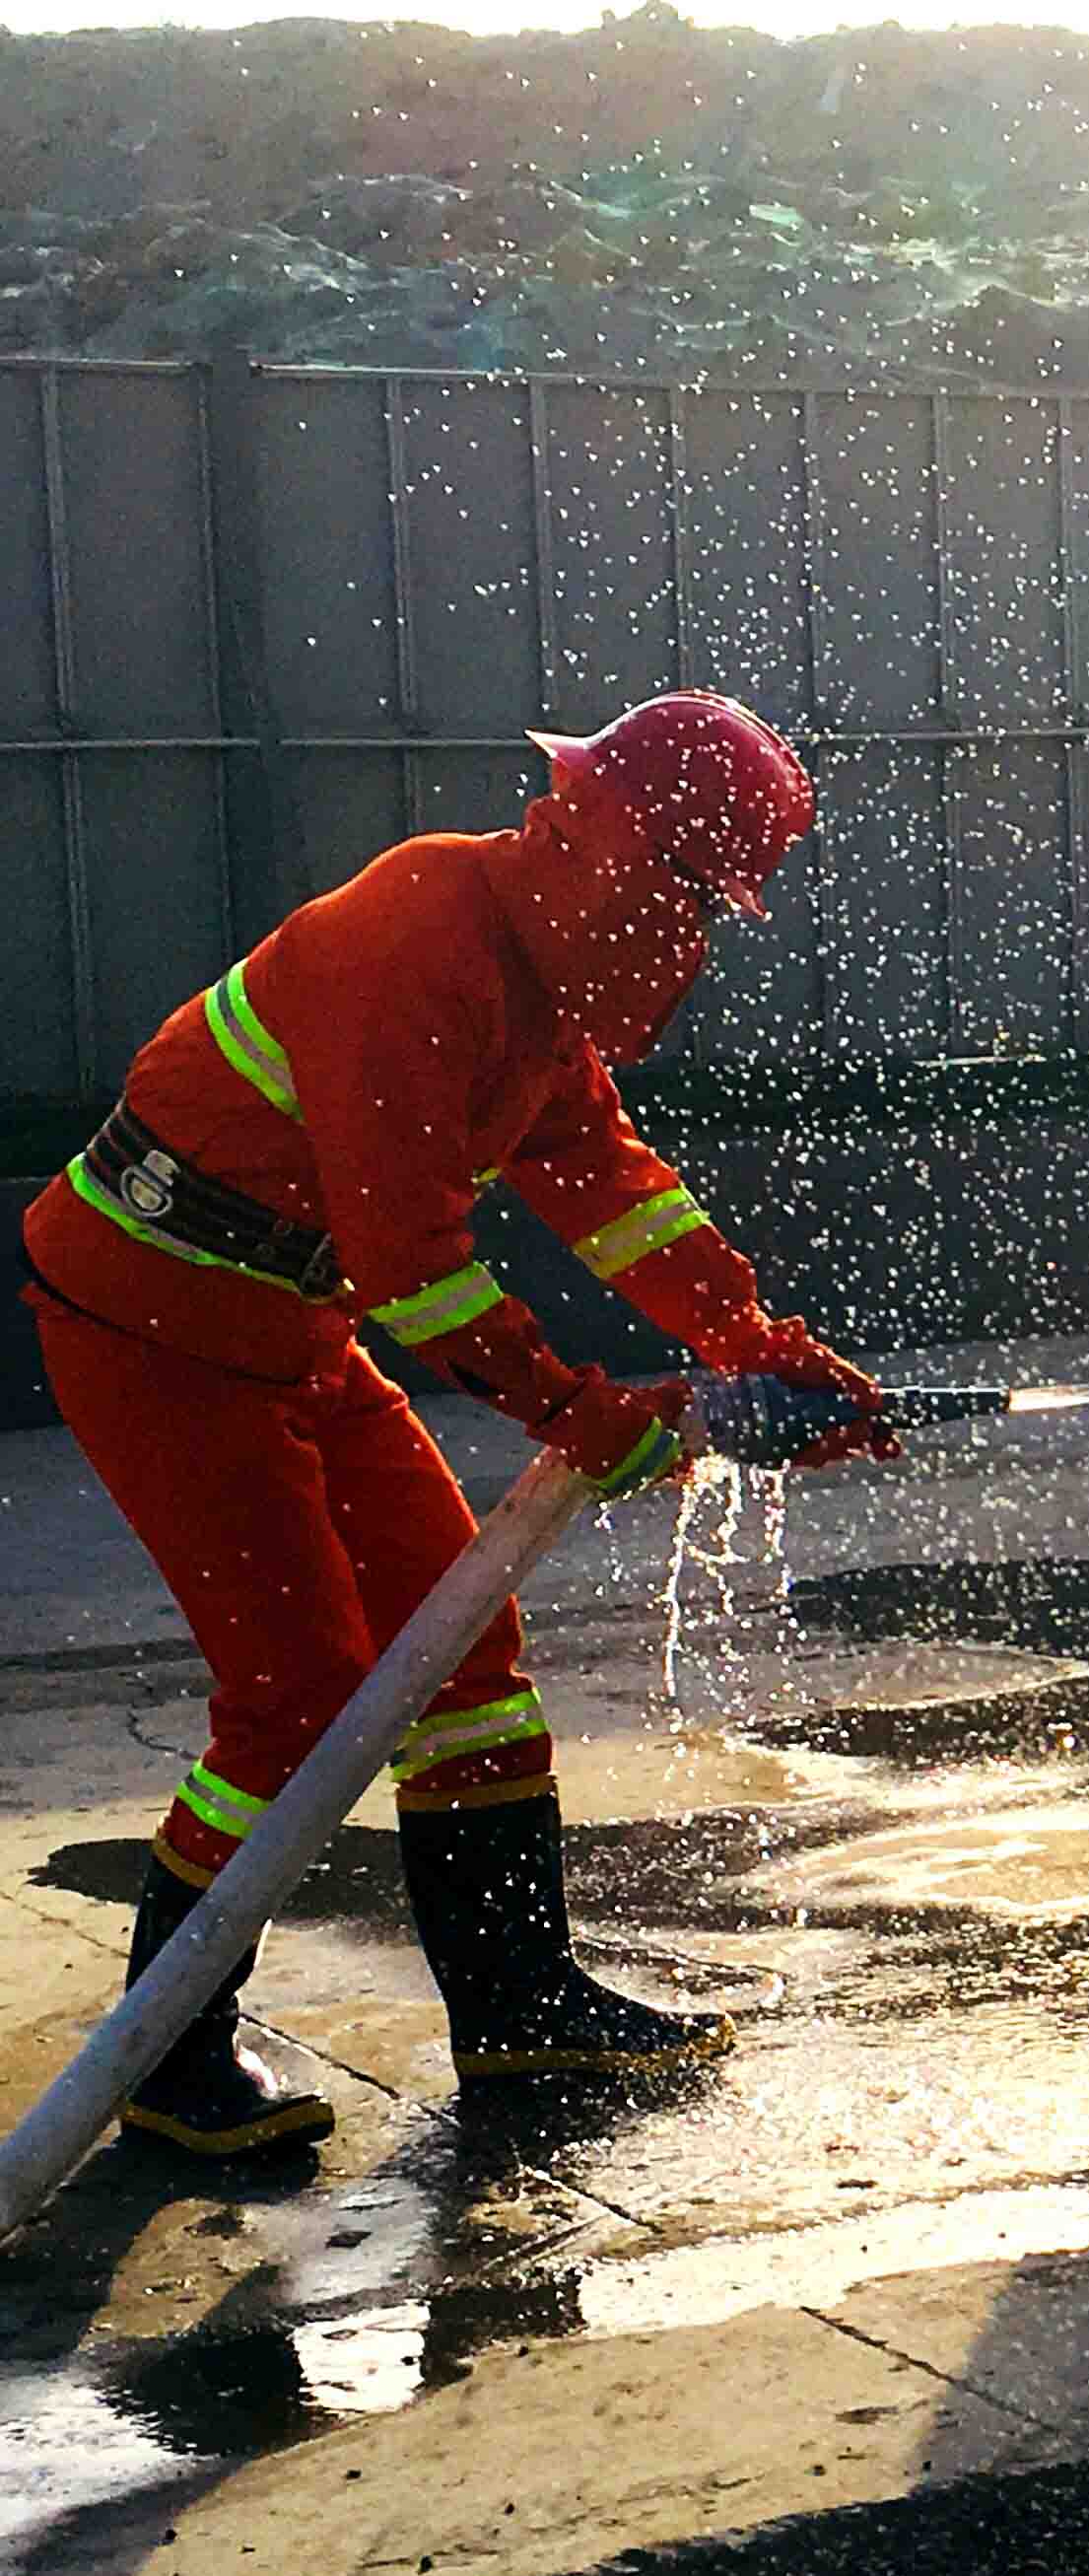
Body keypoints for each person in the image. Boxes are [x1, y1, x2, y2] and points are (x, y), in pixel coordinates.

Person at [17, 691, 889, 2156]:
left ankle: (517, 2007)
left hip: (290, 1322)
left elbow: (604, 1177)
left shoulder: (536, 983)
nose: (690, 944)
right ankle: (167, 2062)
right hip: (151, 1325)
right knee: (296, 1700)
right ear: (605, 848)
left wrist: (749, 1337)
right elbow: (412, 1258)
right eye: (689, 900)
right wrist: (578, 1408)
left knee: (464, 1651)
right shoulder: (421, 937)